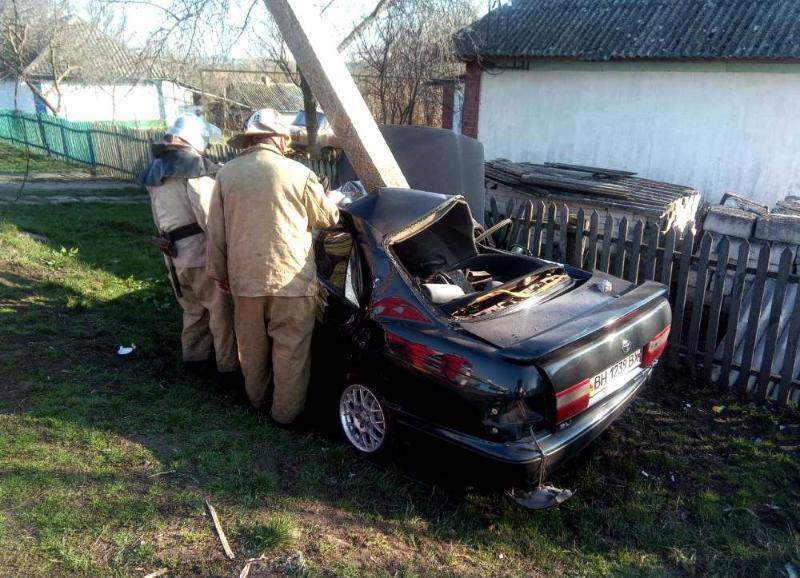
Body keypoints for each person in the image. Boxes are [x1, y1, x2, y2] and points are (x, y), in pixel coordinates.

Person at [206, 108, 340, 425]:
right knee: (290, 350)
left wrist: (221, 275)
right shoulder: (299, 173)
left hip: (244, 281)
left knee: (251, 349)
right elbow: (328, 219)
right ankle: (285, 416)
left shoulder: (226, 174)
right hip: (292, 281)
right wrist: (330, 199)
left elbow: (216, 233)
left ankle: (258, 402)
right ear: (280, 139)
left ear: (249, 140)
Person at [137, 114, 239, 382]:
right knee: (221, 313)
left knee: (193, 310)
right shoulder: (193, 170)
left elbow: (160, 217)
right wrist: (226, 251)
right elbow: (208, 218)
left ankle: (194, 361)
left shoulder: (156, 170)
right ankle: (227, 369)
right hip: (200, 254)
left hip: (173, 255)